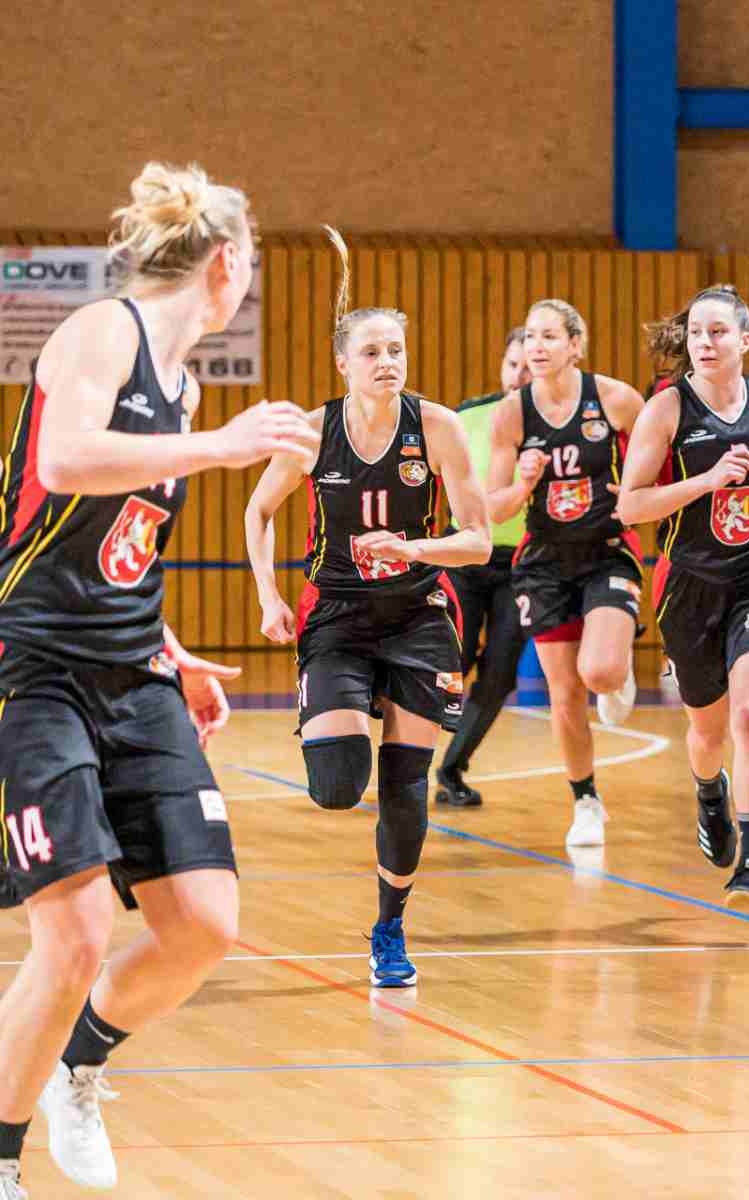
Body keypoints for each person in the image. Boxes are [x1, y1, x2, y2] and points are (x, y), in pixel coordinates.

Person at [0, 162, 319, 1197]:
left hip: (131, 667)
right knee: (76, 935)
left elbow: (112, 541)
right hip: (33, 665)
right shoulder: (105, 331)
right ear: (226, 263)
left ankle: (78, 1068)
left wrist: (169, 650)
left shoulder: (182, 389)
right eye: (254, 261)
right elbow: (63, 463)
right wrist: (223, 447)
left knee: (203, 924)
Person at [246, 227, 491, 989]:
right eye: (373, 351)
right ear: (343, 363)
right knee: (336, 787)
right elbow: (258, 511)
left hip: (418, 617)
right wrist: (269, 595)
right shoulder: (313, 432)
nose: (389, 361)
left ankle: (389, 929)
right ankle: (341, 702)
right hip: (339, 620)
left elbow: (478, 541)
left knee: (406, 791)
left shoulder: (437, 426)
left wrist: (413, 549)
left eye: (397, 350)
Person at [616, 284, 749, 909]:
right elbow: (630, 506)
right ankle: (710, 792)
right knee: (707, 732)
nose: (704, 343)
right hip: (691, 584)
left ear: (744, 340)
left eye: (717, 332)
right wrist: (706, 481)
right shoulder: (666, 409)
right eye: (696, 334)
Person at [484, 301, 646, 847]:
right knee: (565, 692)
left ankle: (619, 668)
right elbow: (495, 508)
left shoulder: (616, 399)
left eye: (550, 336)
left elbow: (661, 458)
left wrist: (640, 491)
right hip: (545, 561)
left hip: (606, 550)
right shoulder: (512, 413)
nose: (537, 346)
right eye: (531, 336)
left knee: (599, 673)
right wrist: (523, 485)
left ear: (576, 344)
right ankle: (586, 802)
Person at [434, 328, 533, 807]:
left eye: (530, 366)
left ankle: (452, 769)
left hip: (524, 564)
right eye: (513, 364)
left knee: (499, 674)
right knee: (451, 660)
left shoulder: (560, 424)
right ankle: (403, 761)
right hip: (466, 554)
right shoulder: (468, 416)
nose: (520, 375)